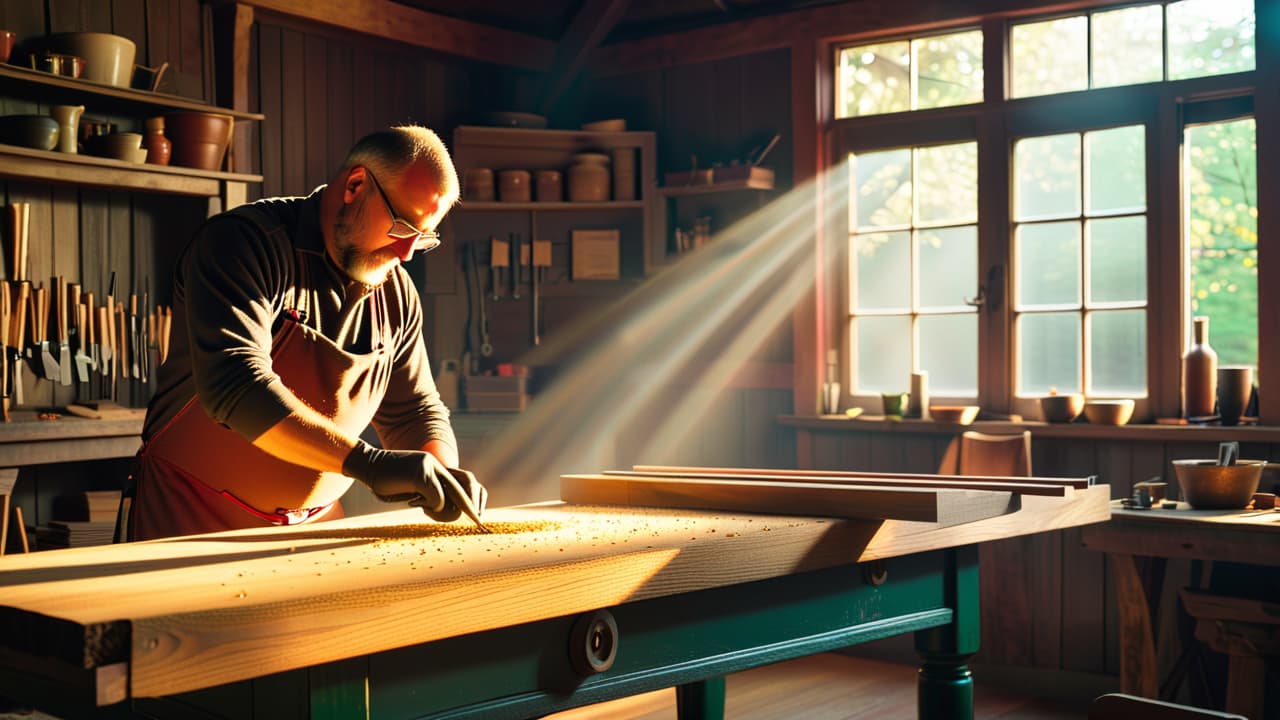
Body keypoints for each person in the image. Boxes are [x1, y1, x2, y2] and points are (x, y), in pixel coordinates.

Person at [128, 125, 487, 541]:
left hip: (314, 527)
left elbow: (414, 410)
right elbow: (236, 388)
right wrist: (369, 464)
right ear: (355, 185)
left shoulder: (396, 290)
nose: (406, 254)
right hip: (191, 519)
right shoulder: (243, 244)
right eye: (403, 227)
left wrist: (441, 473)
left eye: (423, 238)